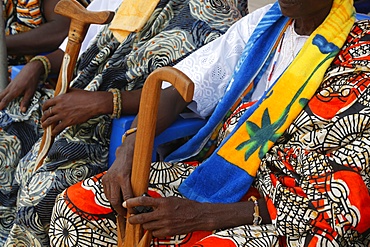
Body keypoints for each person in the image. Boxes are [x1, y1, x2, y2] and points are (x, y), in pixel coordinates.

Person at [49, 0, 370, 246]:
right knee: (77, 208)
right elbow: (183, 87)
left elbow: (345, 201)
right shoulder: (268, 23)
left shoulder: (360, 56)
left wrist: (203, 215)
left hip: (290, 215)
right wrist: (130, 147)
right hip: (224, 172)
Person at [0, 0, 249, 246]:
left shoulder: (219, 14)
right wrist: (38, 64)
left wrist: (104, 102)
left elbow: (178, 91)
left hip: (128, 124)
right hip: (84, 96)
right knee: (8, 141)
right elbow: (89, 49)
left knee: (46, 187)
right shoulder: (139, 3)